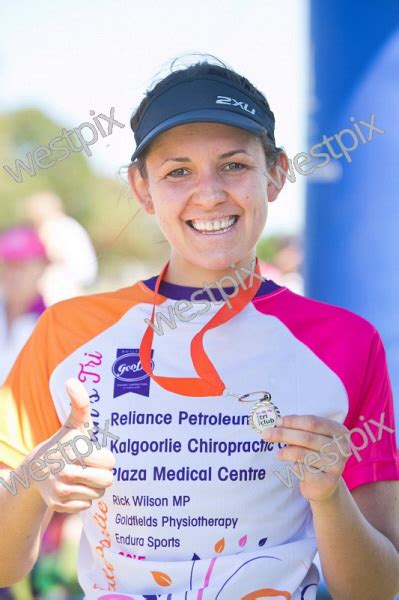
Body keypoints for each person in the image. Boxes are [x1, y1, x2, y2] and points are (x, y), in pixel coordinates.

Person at [0, 56, 398, 600]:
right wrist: (36, 483)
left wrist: (330, 496)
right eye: (177, 171)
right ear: (142, 189)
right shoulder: (67, 331)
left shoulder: (347, 343)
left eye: (234, 164)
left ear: (276, 173)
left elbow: (377, 589)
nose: (209, 194)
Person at [25, 191, 98, 305]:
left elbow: (53, 254)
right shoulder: (70, 224)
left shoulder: (52, 225)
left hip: (66, 279)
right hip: (79, 278)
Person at [0, 226, 48, 384]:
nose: (13, 275)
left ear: (41, 267)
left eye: (21, 266)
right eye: (8, 265)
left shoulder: (48, 322)